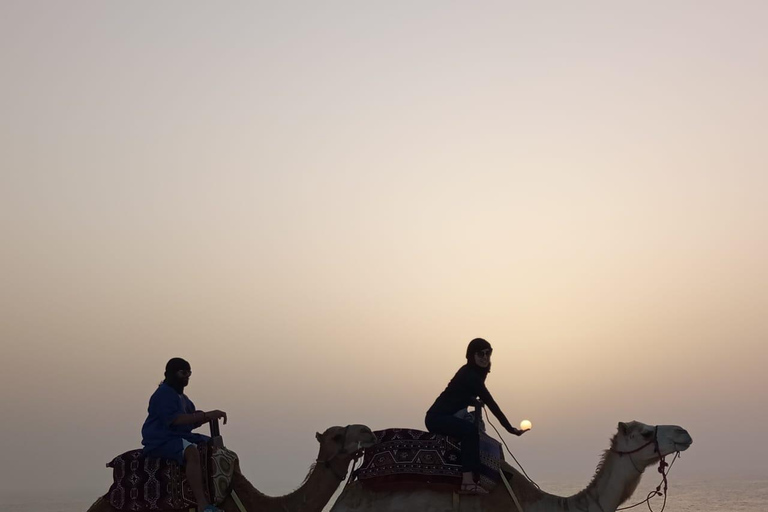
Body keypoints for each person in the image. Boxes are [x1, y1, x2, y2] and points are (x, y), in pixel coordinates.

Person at [425, 338, 526, 494]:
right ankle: (467, 482)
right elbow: (491, 403)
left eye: (488, 353)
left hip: (449, 416)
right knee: (470, 431)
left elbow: (459, 395)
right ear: (472, 355)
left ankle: (485, 473)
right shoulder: (470, 375)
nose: (485, 357)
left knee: (476, 431)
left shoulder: (474, 374)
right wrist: (509, 428)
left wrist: (474, 401)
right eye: (480, 354)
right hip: (437, 418)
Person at [142, 358, 228, 512]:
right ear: (171, 373)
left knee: (213, 446)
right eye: (183, 373)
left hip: (178, 436)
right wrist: (205, 415)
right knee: (191, 452)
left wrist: (209, 416)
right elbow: (176, 420)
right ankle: (202, 504)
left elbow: (191, 420)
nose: (187, 377)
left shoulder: (183, 398)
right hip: (161, 439)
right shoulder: (163, 394)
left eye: (189, 373)